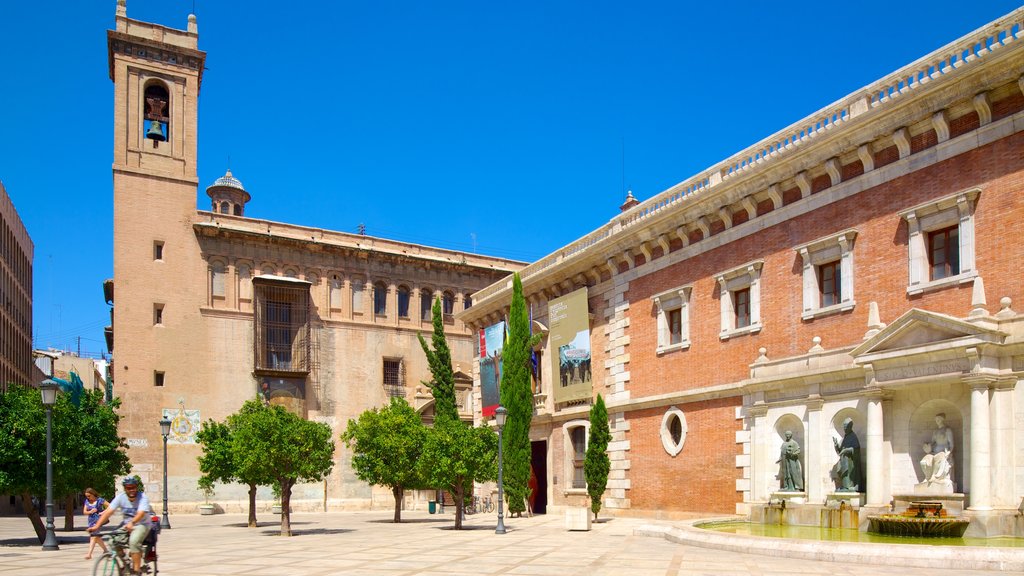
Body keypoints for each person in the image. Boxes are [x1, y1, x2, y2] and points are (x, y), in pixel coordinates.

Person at [88, 476, 154, 575]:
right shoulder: (120, 497)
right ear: (124, 488)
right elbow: (108, 512)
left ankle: (136, 570)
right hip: (127, 524)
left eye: (133, 487)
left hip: (142, 524)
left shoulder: (142, 497)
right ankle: (126, 562)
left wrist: (132, 522)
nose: (131, 490)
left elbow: (141, 513)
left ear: (137, 487)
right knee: (112, 540)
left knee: (134, 542)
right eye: (128, 488)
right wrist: (96, 526)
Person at [920, 412, 954, 486]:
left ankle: (934, 477)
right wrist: (927, 447)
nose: (937, 420)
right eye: (936, 419)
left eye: (939, 419)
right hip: (933, 452)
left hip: (943, 453)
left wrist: (949, 452)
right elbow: (933, 443)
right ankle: (927, 477)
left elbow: (951, 444)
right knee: (924, 461)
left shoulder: (947, 430)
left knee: (939, 460)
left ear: (943, 419)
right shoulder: (935, 431)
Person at [832, 418, 862, 492]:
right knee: (842, 470)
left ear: (850, 427)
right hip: (844, 460)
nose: (845, 429)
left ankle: (848, 487)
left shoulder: (853, 436)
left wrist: (847, 450)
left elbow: (856, 449)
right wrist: (836, 445)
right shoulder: (845, 437)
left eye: (846, 427)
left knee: (846, 471)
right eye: (844, 427)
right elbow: (840, 451)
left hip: (851, 462)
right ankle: (845, 486)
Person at [83, 488, 109, 559]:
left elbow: (109, 506)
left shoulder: (100, 500)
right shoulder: (87, 501)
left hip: (98, 520)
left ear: (93, 494)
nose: (88, 497)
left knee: (93, 536)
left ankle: (89, 554)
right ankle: (106, 550)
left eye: (89, 496)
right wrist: (90, 511)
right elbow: (84, 511)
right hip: (91, 521)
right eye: (86, 496)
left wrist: (103, 512)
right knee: (96, 537)